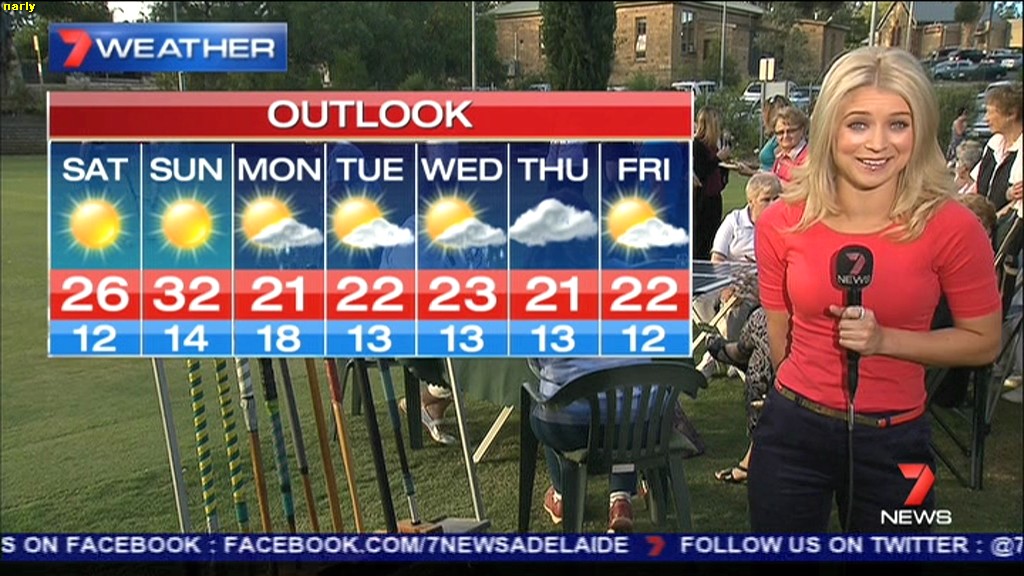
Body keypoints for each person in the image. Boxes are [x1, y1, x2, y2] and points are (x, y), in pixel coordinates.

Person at [750, 47, 1002, 533]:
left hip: (901, 442)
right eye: (859, 124)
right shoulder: (781, 222)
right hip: (791, 435)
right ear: (830, 128)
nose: (878, 144)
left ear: (921, 130)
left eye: (898, 124)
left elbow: (984, 340)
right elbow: (781, 337)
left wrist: (886, 341)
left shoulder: (953, 227)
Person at [529, 357, 653, 533]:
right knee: (625, 411)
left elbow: (535, 362)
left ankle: (561, 495)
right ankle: (621, 499)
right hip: (641, 425)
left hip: (571, 426)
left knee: (546, 402)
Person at [694, 172, 781, 380]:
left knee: (738, 305)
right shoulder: (734, 221)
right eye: (766, 199)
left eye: (777, 198)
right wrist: (726, 286)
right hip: (728, 283)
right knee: (706, 302)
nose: (773, 204)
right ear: (751, 202)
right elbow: (717, 258)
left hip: (762, 288)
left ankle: (715, 357)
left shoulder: (782, 225)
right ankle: (732, 353)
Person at [692, 107, 730, 260]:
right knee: (701, 239)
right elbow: (700, 172)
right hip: (702, 200)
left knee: (713, 236)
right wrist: (718, 159)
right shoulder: (697, 146)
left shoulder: (714, 147)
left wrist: (724, 164)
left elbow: (719, 172)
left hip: (714, 197)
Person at [769, 106, 810, 183]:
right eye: (780, 132)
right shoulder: (780, 156)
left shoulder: (809, 158)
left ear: (802, 130)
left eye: (791, 131)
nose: (785, 136)